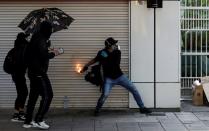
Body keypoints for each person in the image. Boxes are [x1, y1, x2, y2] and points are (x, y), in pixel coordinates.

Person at [81, 37, 152, 116]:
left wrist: (105, 56)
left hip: (120, 77)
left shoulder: (117, 52)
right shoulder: (101, 53)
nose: (115, 45)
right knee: (105, 95)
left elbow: (116, 63)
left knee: (134, 89)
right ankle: (97, 109)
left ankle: (142, 108)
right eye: (114, 44)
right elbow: (95, 60)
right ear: (109, 45)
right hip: (109, 79)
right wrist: (86, 66)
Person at [23, 21, 61, 129]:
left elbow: (37, 53)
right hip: (39, 72)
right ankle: (39, 119)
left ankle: (28, 121)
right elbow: (43, 55)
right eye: (50, 29)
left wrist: (48, 48)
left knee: (33, 97)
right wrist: (55, 53)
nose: (51, 31)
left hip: (32, 72)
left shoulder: (36, 38)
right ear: (46, 30)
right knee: (48, 95)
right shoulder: (41, 39)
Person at [11, 32, 29, 122]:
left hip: (16, 75)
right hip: (18, 75)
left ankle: (20, 112)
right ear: (23, 39)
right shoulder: (22, 48)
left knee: (23, 93)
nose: (27, 39)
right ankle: (16, 114)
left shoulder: (15, 48)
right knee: (23, 93)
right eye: (26, 38)